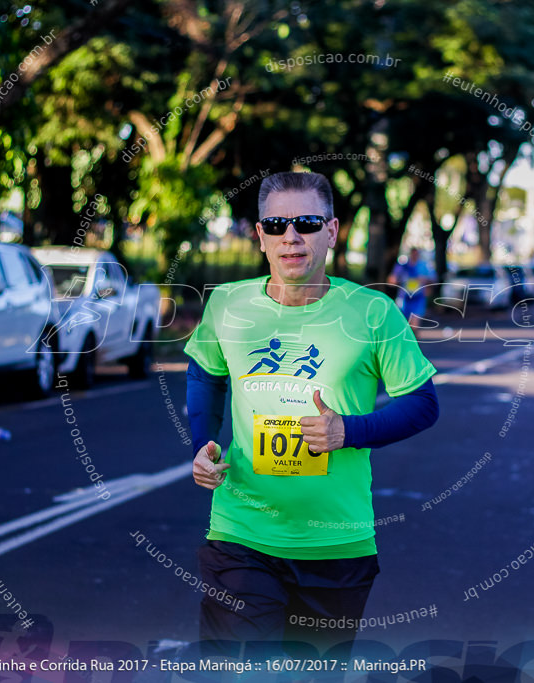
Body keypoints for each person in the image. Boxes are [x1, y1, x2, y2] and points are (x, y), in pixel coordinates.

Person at [184, 171, 440, 657]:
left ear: (332, 231)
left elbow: (423, 404)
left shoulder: (372, 312)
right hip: (242, 535)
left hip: (337, 545)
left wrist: (349, 430)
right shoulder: (227, 304)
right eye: (276, 225)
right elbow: (204, 374)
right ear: (260, 236)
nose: (291, 236)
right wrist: (202, 443)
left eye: (306, 222)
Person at [388, 247, 431, 333]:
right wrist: (396, 280)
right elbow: (391, 280)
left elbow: (432, 280)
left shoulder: (423, 266)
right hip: (403, 297)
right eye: (413, 254)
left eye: (416, 254)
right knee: (402, 324)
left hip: (418, 298)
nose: (415, 256)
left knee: (414, 325)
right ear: (410, 254)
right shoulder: (402, 266)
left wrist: (424, 281)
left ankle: (414, 343)